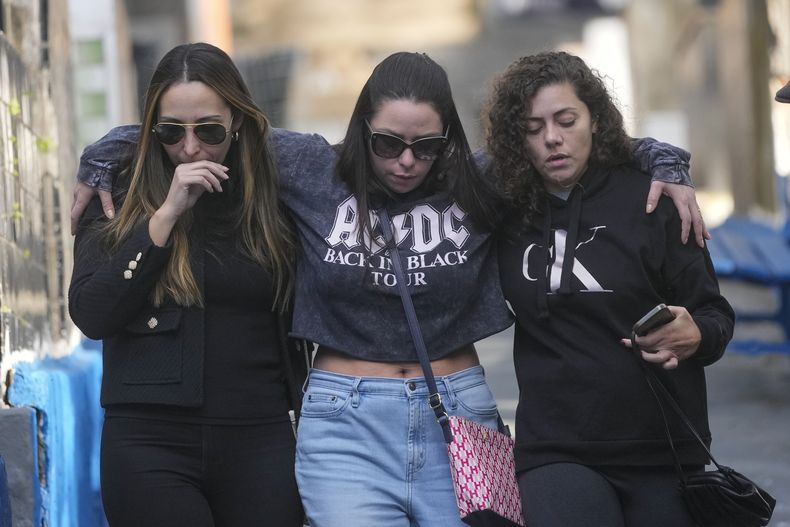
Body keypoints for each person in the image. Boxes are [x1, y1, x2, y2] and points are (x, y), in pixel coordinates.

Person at [71, 50, 705, 527]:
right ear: (359, 130)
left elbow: (569, 140)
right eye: (387, 144)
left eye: (425, 147)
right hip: (342, 417)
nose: (406, 161)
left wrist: (665, 161)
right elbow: (208, 124)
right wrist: (106, 150)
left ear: (449, 141)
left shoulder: (486, 179)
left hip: (462, 410)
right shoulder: (310, 166)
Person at [485, 50, 735, 527]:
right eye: (533, 129)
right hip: (556, 448)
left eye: (566, 120)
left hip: (664, 448)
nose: (552, 139)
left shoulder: (656, 199)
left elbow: (716, 315)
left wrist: (696, 335)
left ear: (595, 120)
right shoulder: (504, 206)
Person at [68, 43, 305, 527]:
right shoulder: (117, 192)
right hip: (148, 442)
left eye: (210, 131)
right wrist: (166, 216)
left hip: (259, 434)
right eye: (171, 131)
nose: (191, 148)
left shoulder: (275, 194)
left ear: (237, 123)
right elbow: (92, 313)